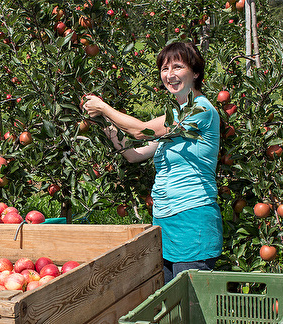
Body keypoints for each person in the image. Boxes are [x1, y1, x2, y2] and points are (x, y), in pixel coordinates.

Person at [82, 42, 222, 284]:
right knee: (170, 302)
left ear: (196, 72)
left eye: (178, 67)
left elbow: (140, 131)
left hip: (192, 219)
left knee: (190, 304)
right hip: (165, 221)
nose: (170, 75)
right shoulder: (176, 118)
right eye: (165, 68)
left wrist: (104, 107)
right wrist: (106, 126)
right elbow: (133, 154)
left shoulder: (199, 112)